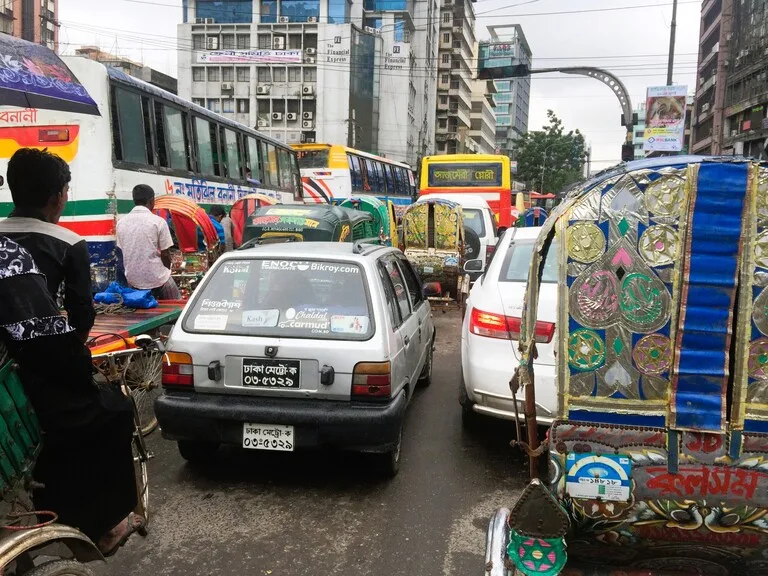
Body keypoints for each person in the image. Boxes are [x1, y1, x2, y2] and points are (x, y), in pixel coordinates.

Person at [0, 148, 95, 342]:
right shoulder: (71, 243)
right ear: (57, 197)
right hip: (38, 348)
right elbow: (81, 315)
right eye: (66, 192)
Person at [116, 184, 181, 300]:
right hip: (158, 279)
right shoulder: (158, 222)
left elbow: (122, 251)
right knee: (178, 302)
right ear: (152, 201)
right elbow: (165, 255)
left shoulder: (121, 223)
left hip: (132, 280)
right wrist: (168, 270)